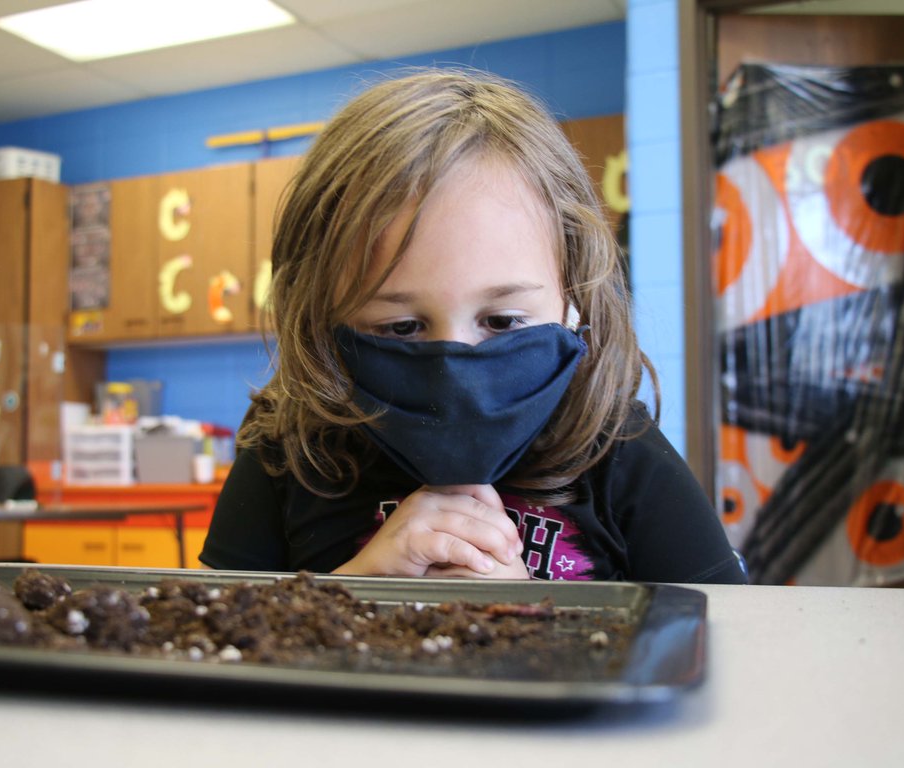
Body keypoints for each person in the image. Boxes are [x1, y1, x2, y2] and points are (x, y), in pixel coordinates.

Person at [201, 69, 746, 583]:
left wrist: (538, 622)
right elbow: (214, 655)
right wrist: (354, 592)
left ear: (574, 295)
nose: (455, 373)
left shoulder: (616, 448)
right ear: (320, 315)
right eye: (401, 327)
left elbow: (728, 645)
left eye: (504, 321)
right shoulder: (287, 449)